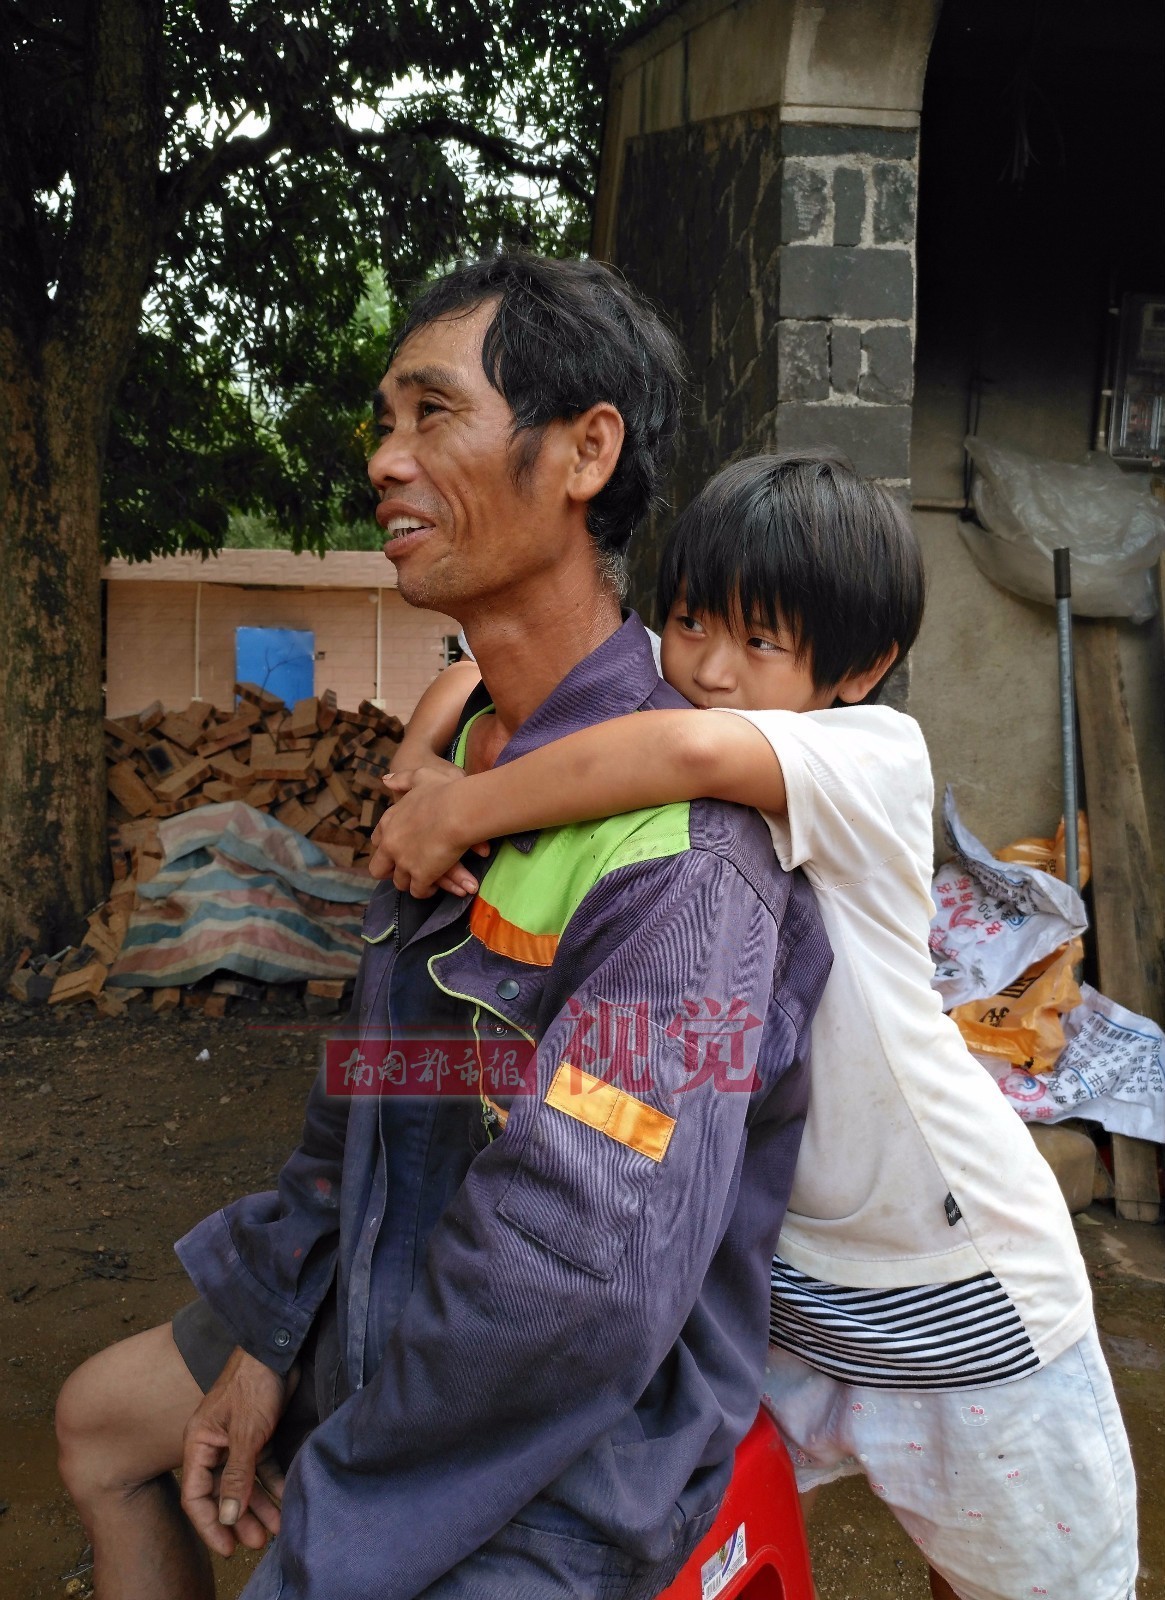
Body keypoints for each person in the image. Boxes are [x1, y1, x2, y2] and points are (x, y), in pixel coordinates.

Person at [54, 259, 833, 1600]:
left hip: (576, 1433)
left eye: (431, 415)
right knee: (101, 1428)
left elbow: (577, 1279)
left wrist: (345, 1481)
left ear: (586, 449)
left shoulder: (684, 854)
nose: (385, 461)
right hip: (396, 1286)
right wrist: (268, 1326)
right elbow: (365, 1080)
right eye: (382, 422)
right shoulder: (464, 763)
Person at [374, 451, 1139, 1600]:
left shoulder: (869, 754)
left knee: (1022, 1581)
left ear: (860, 666)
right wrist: (424, 753)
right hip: (789, 1288)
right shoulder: (673, 740)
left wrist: (461, 807)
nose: (711, 670)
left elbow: (682, 745)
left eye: (761, 642)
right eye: (689, 623)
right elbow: (484, 692)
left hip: (960, 1281)